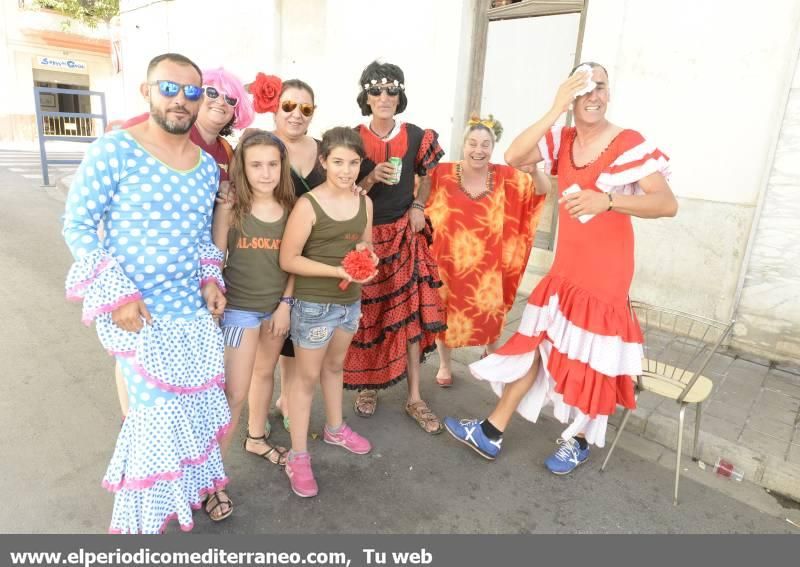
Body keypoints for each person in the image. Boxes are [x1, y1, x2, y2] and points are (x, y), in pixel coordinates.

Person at [443, 62, 677, 474]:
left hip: (604, 277)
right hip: (565, 271)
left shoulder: (628, 142)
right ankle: (491, 432)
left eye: (600, 87)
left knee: (593, 360)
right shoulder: (563, 138)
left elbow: (666, 204)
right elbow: (515, 155)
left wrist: (607, 201)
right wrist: (555, 108)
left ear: (609, 94)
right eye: (583, 89)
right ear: (571, 96)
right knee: (536, 343)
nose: (594, 96)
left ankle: (582, 441)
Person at [63, 53, 232, 533]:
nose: (181, 100)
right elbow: (77, 224)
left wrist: (209, 278)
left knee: (190, 411)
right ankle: (146, 517)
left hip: (189, 313)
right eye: (169, 88)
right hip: (135, 313)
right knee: (154, 418)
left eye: (192, 92)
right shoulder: (114, 149)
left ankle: (188, 493)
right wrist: (116, 294)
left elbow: (202, 237)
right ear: (147, 91)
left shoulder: (205, 167)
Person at [114, 67, 254, 419]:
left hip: (203, 260)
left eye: (230, 98)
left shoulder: (224, 152)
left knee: (186, 357)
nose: (221, 102)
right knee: (138, 349)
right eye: (211, 93)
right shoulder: (163, 133)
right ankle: (134, 421)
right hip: (147, 268)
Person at [343, 61, 447, 434]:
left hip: (405, 236)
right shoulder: (352, 137)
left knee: (411, 318)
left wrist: (419, 205)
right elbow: (345, 188)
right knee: (369, 317)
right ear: (366, 96)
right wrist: (370, 176)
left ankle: (415, 396)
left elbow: (427, 180)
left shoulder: (418, 135)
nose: (384, 97)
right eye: (376, 91)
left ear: (400, 95)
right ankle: (368, 385)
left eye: (391, 90)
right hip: (366, 236)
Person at [279, 127, 377, 498]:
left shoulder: (364, 202)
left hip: (350, 302)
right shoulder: (309, 205)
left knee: (336, 368)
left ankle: (335, 429)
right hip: (314, 305)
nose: (347, 170)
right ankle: (298, 455)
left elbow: (365, 241)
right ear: (324, 162)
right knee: (305, 382)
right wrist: (337, 271)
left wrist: (369, 258)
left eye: (354, 163)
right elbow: (289, 259)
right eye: (338, 161)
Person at [425, 115, 548, 387]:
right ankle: (445, 364)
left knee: (491, 312)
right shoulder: (442, 172)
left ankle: (492, 356)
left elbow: (541, 191)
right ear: (463, 144)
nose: (478, 150)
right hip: (448, 262)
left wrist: (534, 171)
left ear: (493, 148)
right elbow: (417, 194)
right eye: (472, 143)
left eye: (485, 145)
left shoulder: (504, 175)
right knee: (445, 312)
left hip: (489, 265)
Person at [213, 130, 296, 473]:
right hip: (239, 311)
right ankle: (212, 474)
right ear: (242, 169)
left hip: (275, 309)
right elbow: (215, 259)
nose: (265, 173)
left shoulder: (292, 209)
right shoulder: (231, 208)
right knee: (235, 392)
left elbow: (294, 261)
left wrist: (285, 305)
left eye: (272, 164)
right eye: (256, 165)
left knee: (265, 374)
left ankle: (256, 437)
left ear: (282, 166)